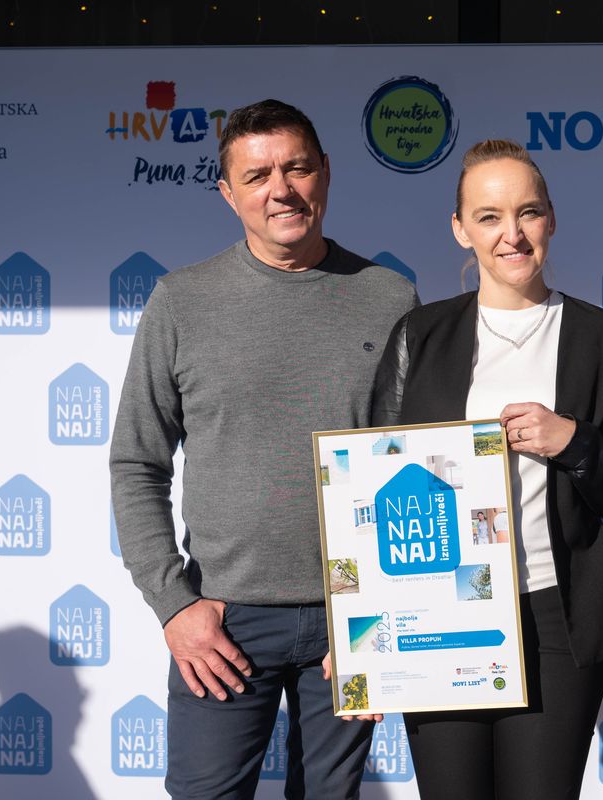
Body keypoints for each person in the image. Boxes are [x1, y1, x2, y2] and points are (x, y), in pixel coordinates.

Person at [110, 98, 418, 799]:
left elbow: (407, 464)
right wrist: (175, 605)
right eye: (257, 176)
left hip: (351, 616)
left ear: (325, 173)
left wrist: (383, 613)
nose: (281, 189)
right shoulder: (181, 301)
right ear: (228, 193)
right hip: (225, 622)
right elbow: (136, 463)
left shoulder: (389, 297)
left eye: (297, 168)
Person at [372, 139, 603, 799]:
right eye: (489, 216)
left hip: (556, 619)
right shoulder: (419, 336)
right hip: (437, 615)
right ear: (460, 229)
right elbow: (375, 488)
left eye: (528, 212)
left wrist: (574, 442)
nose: (512, 234)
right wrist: (363, 639)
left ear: (551, 218)